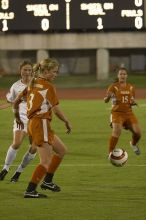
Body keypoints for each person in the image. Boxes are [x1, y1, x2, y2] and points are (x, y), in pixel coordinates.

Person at [13, 58, 72, 198]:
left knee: (62, 151)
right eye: (54, 72)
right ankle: (30, 190)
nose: (56, 75)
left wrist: (17, 118)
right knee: (45, 161)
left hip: (35, 123)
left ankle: (47, 181)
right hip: (41, 123)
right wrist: (67, 121)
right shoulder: (48, 86)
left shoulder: (32, 83)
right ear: (45, 71)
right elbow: (56, 109)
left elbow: (15, 102)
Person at [0, 60, 37, 182]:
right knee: (16, 143)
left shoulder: (37, 84)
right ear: (20, 71)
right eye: (25, 70)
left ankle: (18, 172)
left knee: (34, 147)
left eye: (29, 70)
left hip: (36, 119)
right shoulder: (15, 86)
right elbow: (10, 102)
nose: (27, 72)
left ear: (32, 71)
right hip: (20, 118)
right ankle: (5, 168)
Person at [104, 67, 141, 156]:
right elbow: (105, 100)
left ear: (126, 76)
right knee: (117, 131)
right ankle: (110, 153)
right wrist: (109, 97)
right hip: (117, 113)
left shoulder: (131, 87)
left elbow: (131, 100)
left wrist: (132, 102)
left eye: (124, 74)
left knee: (138, 133)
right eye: (121, 74)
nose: (122, 75)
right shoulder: (113, 86)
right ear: (118, 75)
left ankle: (133, 144)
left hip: (129, 113)